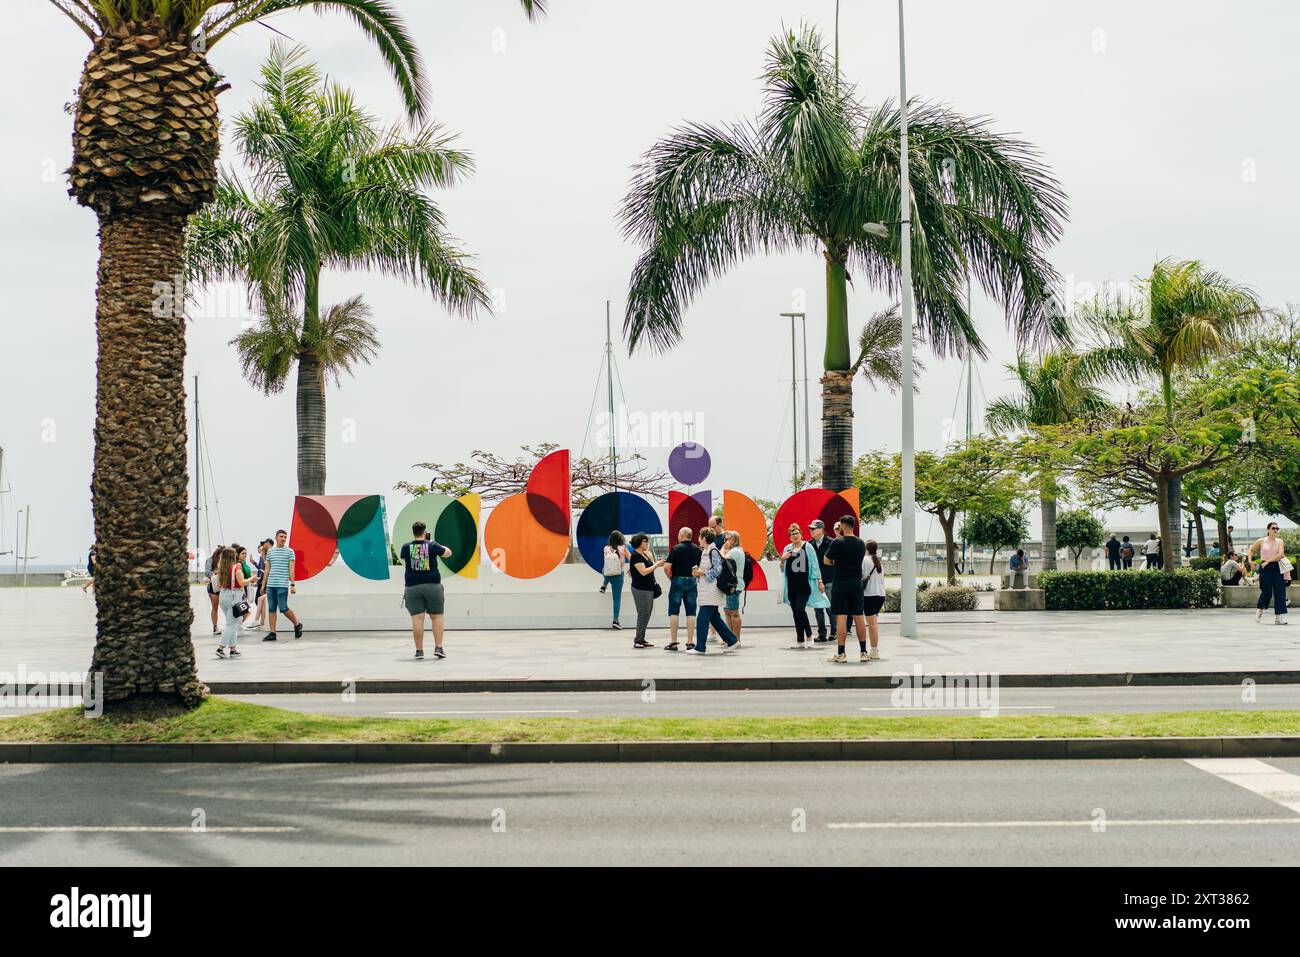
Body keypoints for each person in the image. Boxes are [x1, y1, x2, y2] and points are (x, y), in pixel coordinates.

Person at [400, 520, 452, 659]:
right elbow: (448, 553)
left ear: (413, 532)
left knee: (417, 619)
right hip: (433, 585)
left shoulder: (406, 547)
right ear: (424, 532)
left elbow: (403, 557)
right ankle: (439, 648)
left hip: (412, 587)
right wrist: (434, 543)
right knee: (437, 617)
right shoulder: (433, 545)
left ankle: (419, 651)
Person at [824, 515, 868, 663]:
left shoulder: (837, 542)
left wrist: (837, 562)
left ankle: (841, 654)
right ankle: (863, 652)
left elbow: (826, 559)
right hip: (856, 583)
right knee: (859, 617)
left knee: (841, 617)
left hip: (840, 584)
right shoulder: (861, 543)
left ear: (843, 525)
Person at [689, 528, 739, 654]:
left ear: (705, 538)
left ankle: (700, 647)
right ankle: (732, 641)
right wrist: (699, 572)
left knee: (702, 619)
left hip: (712, 591)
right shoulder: (706, 551)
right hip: (707, 590)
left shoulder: (713, 550)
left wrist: (702, 572)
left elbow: (718, 569)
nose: (698, 539)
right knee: (715, 619)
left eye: (700, 537)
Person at [779, 523, 828, 648]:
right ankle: (800, 640)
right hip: (791, 586)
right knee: (796, 613)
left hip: (805, 585)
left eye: (797, 533)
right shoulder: (787, 549)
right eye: (792, 534)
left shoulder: (808, 546)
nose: (795, 536)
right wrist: (783, 559)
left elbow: (815, 564)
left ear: (801, 534)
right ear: (789, 536)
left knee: (800, 610)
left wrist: (819, 580)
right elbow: (782, 569)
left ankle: (809, 634)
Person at [662, 527, 701, 652]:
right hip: (692, 581)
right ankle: (690, 642)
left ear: (682, 535)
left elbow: (666, 567)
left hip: (677, 581)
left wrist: (671, 578)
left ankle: (673, 642)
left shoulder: (676, 548)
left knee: (674, 611)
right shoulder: (697, 549)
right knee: (691, 612)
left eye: (679, 535)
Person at [212, 545, 253, 659]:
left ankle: (233, 649)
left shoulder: (221, 568)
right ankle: (220, 648)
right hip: (234, 597)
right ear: (232, 556)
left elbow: (219, 584)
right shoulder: (237, 567)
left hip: (223, 596)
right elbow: (242, 582)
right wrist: (251, 579)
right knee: (231, 624)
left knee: (232, 623)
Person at [264, 529, 303, 642]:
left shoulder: (290, 551)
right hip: (270, 585)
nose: (283, 539)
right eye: (281, 536)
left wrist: (292, 584)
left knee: (283, 608)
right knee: (271, 609)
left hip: (282, 585)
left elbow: (291, 568)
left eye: (285, 537)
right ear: (276, 538)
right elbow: (267, 569)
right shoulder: (270, 552)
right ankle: (272, 633)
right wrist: (263, 585)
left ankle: (297, 624)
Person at [1246, 522, 1289, 625]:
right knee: (1266, 592)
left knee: (1280, 592)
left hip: (1277, 567)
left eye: (1277, 528)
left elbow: (1281, 554)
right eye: (1273, 528)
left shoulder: (1280, 541)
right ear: (1268, 529)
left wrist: (1268, 561)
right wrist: (1250, 560)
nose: (1275, 530)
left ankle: (1279, 617)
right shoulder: (1261, 541)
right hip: (1265, 569)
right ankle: (1259, 611)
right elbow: (1251, 550)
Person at [627, 533, 664, 649]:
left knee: (646, 614)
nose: (647, 543)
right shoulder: (636, 556)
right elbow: (643, 571)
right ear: (639, 543)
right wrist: (657, 564)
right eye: (645, 542)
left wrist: (653, 561)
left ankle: (641, 638)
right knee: (643, 614)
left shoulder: (644, 555)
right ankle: (638, 640)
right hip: (640, 589)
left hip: (648, 588)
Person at [808, 519, 834, 641]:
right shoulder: (809, 544)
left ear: (821, 529)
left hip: (829, 580)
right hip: (814, 581)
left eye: (813, 528)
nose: (811, 531)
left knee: (829, 607)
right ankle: (822, 634)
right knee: (818, 609)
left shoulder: (831, 543)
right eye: (810, 528)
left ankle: (834, 632)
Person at [861, 538, 885, 660]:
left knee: (872, 625)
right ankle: (874, 650)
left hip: (869, 595)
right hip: (881, 595)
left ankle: (874, 651)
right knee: (874, 623)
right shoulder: (878, 562)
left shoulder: (864, 560)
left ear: (866, 549)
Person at [599, 531, 629, 629]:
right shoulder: (623, 547)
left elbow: (606, 564)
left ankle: (604, 585)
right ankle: (615, 620)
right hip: (618, 575)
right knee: (616, 599)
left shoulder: (606, 548)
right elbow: (631, 558)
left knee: (605, 570)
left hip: (607, 574)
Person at [722, 530, 746, 640]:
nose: (726, 541)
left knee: (733, 612)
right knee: (728, 611)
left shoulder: (734, 552)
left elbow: (721, 559)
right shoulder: (738, 550)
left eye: (728, 539)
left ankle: (736, 639)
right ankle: (731, 638)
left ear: (734, 540)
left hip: (733, 586)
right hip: (734, 585)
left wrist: (723, 548)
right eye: (725, 539)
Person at [250, 539, 271, 630]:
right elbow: (260, 569)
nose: (258, 548)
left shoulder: (265, 557)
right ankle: (261, 622)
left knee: (259, 601)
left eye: (259, 546)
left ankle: (260, 622)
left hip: (264, 582)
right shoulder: (261, 557)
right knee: (260, 602)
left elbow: (265, 570)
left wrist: (260, 582)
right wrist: (254, 562)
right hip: (261, 582)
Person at [204, 545, 224, 634]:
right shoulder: (210, 560)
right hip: (213, 586)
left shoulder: (225, 562)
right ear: (218, 553)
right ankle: (215, 627)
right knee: (215, 606)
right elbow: (207, 572)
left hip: (224, 585)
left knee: (226, 606)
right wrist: (215, 572)